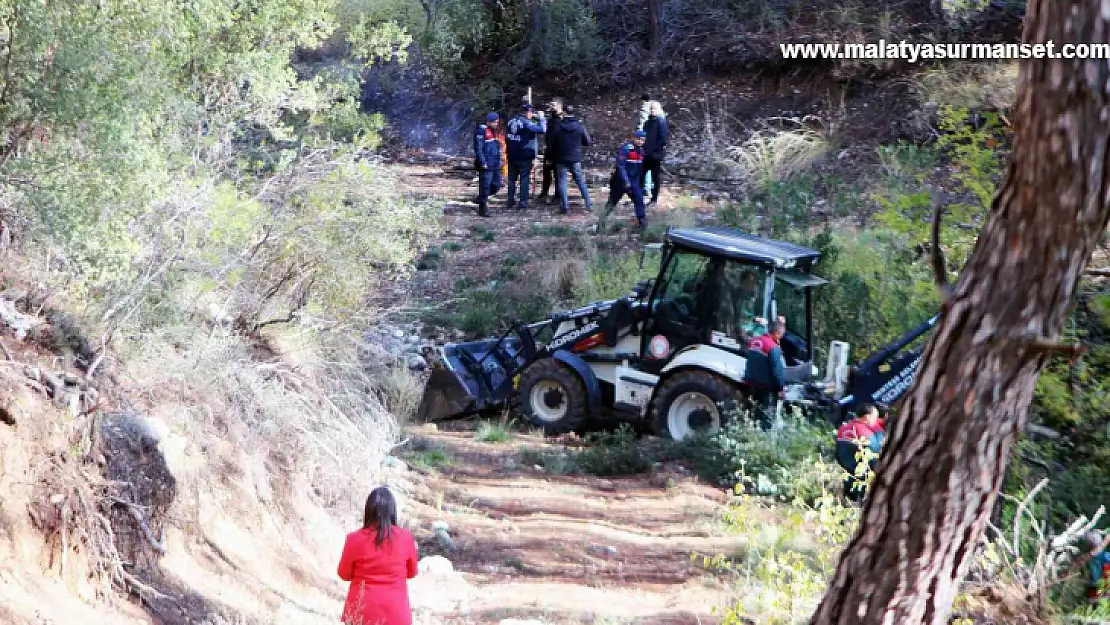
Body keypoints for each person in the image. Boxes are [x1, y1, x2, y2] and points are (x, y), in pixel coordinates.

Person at [338, 487, 419, 625]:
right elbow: (412, 572)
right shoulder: (405, 538)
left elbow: (344, 574)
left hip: (361, 612)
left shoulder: (354, 539)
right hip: (396, 614)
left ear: (368, 511)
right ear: (393, 511)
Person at [835, 404, 886, 503]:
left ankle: (849, 500)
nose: (876, 420)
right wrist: (878, 431)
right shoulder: (863, 430)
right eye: (875, 417)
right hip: (863, 468)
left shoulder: (843, 427)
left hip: (847, 466)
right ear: (867, 417)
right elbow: (877, 449)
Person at [601, 130, 647, 229]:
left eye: (642, 140)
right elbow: (621, 166)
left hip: (634, 181)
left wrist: (639, 184)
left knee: (639, 200)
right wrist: (626, 181)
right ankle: (601, 222)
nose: (640, 142)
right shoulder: (626, 149)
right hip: (620, 181)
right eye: (638, 139)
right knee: (612, 202)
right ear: (633, 138)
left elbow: (639, 170)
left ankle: (643, 224)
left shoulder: (642, 152)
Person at [505, 103, 546, 210]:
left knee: (511, 179)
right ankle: (523, 202)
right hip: (524, 156)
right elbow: (542, 130)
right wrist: (541, 118)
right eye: (531, 112)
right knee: (524, 179)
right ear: (528, 112)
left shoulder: (511, 121)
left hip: (512, 155)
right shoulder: (526, 123)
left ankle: (510, 201)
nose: (532, 115)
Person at [553, 105, 592, 214]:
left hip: (561, 157)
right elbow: (587, 141)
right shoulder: (580, 126)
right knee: (579, 180)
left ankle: (565, 205)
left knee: (562, 181)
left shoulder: (558, 126)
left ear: (564, 112)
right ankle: (588, 203)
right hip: (575, 157)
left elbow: (552, 142)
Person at [473, 111, 502, 217]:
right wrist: (482, 161)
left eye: (497, 122)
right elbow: (478, 148)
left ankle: (480, 198)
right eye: (494, 122)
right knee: (485, 186)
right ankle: (483, 208)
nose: (496, 124)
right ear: (489, 122)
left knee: (497, 185)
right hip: (486, 164)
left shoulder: (493, 130)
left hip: (495, 163)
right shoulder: (481, 130)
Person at [641, 101, 669, 206]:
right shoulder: (647, 123)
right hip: (645, 154)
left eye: (655, 109)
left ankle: (654, 199)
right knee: (641, 175)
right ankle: (639, 197)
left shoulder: (661, 122)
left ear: (659, 110)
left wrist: (654, 150)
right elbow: (643, 137)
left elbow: (663, 139)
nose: (653, 110)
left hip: (655, 154)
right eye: (651, 108)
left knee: (655, 177)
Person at [537, 98, 564, 204]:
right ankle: (544, 193)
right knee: (547, 174)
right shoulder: (551, 119)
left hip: (558, 151)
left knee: (558, 175)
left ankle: (558, 196)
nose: (552, 107)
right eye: (551, 105)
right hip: (549, 149)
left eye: (554, 105)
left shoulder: (562, 119)